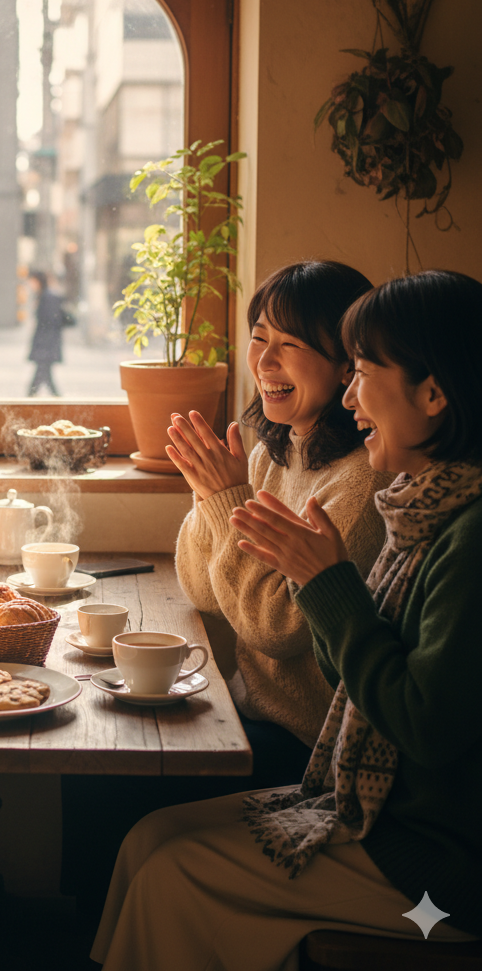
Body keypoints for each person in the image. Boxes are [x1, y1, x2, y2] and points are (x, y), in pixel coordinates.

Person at [92, 269, 482, 969]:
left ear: (434, 392)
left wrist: (325, 587)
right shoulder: (427, 508)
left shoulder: (464, 535)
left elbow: (424, 727)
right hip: (369, 802)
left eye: (363, 372)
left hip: (435, 867)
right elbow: (352, 672)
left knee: (171, 872)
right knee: (147, 840)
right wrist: (322, 587)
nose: (353, 395)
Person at [62, 261, 391, 921]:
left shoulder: (358, 486)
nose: (265, 359)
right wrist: (213, 495)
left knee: (106, 780)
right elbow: (201, 588)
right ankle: (94, 935)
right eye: (259, 336)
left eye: (290, 344)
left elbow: (277, 624)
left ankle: (92, 941)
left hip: (305, 745)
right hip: (250, 710)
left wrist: (223, 495)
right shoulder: (272, 450)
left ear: (344, 363)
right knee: (94, 748)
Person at [26, 270, 68, 396]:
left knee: (41, 376)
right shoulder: (44, 296)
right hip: (46, 345)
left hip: (46, 345)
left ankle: (28, 402)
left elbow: (50, 323)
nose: (30, 285)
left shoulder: (47, 297)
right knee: (44, 377)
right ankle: (57, 401)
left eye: (32, 281)